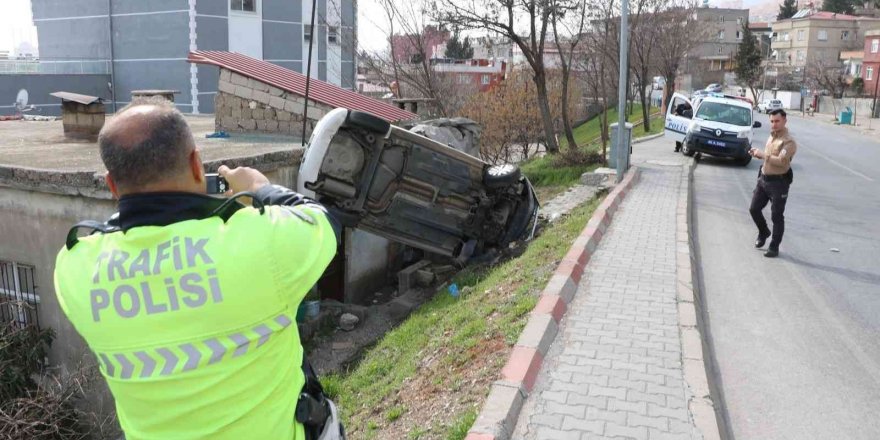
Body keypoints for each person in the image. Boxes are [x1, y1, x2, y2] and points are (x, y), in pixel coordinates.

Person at [54, 97, 344, 439]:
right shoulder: (258, 242)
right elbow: (324, 222)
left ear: (112, 185)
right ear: (196, 165)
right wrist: (259, 188)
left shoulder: (74, 268)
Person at [748, 109, 797, 258]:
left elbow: (782, 162)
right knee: (754, 209)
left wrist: (763, 155)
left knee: (777, 216)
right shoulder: (771, 136)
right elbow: (769, 158)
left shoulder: (789, 142)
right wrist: (758, 154)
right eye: (772, 121)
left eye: (777, 121)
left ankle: (774, 246)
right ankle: (764, 232)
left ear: (784, 121)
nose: (774, 124)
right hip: (763, 179)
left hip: (779, 183)